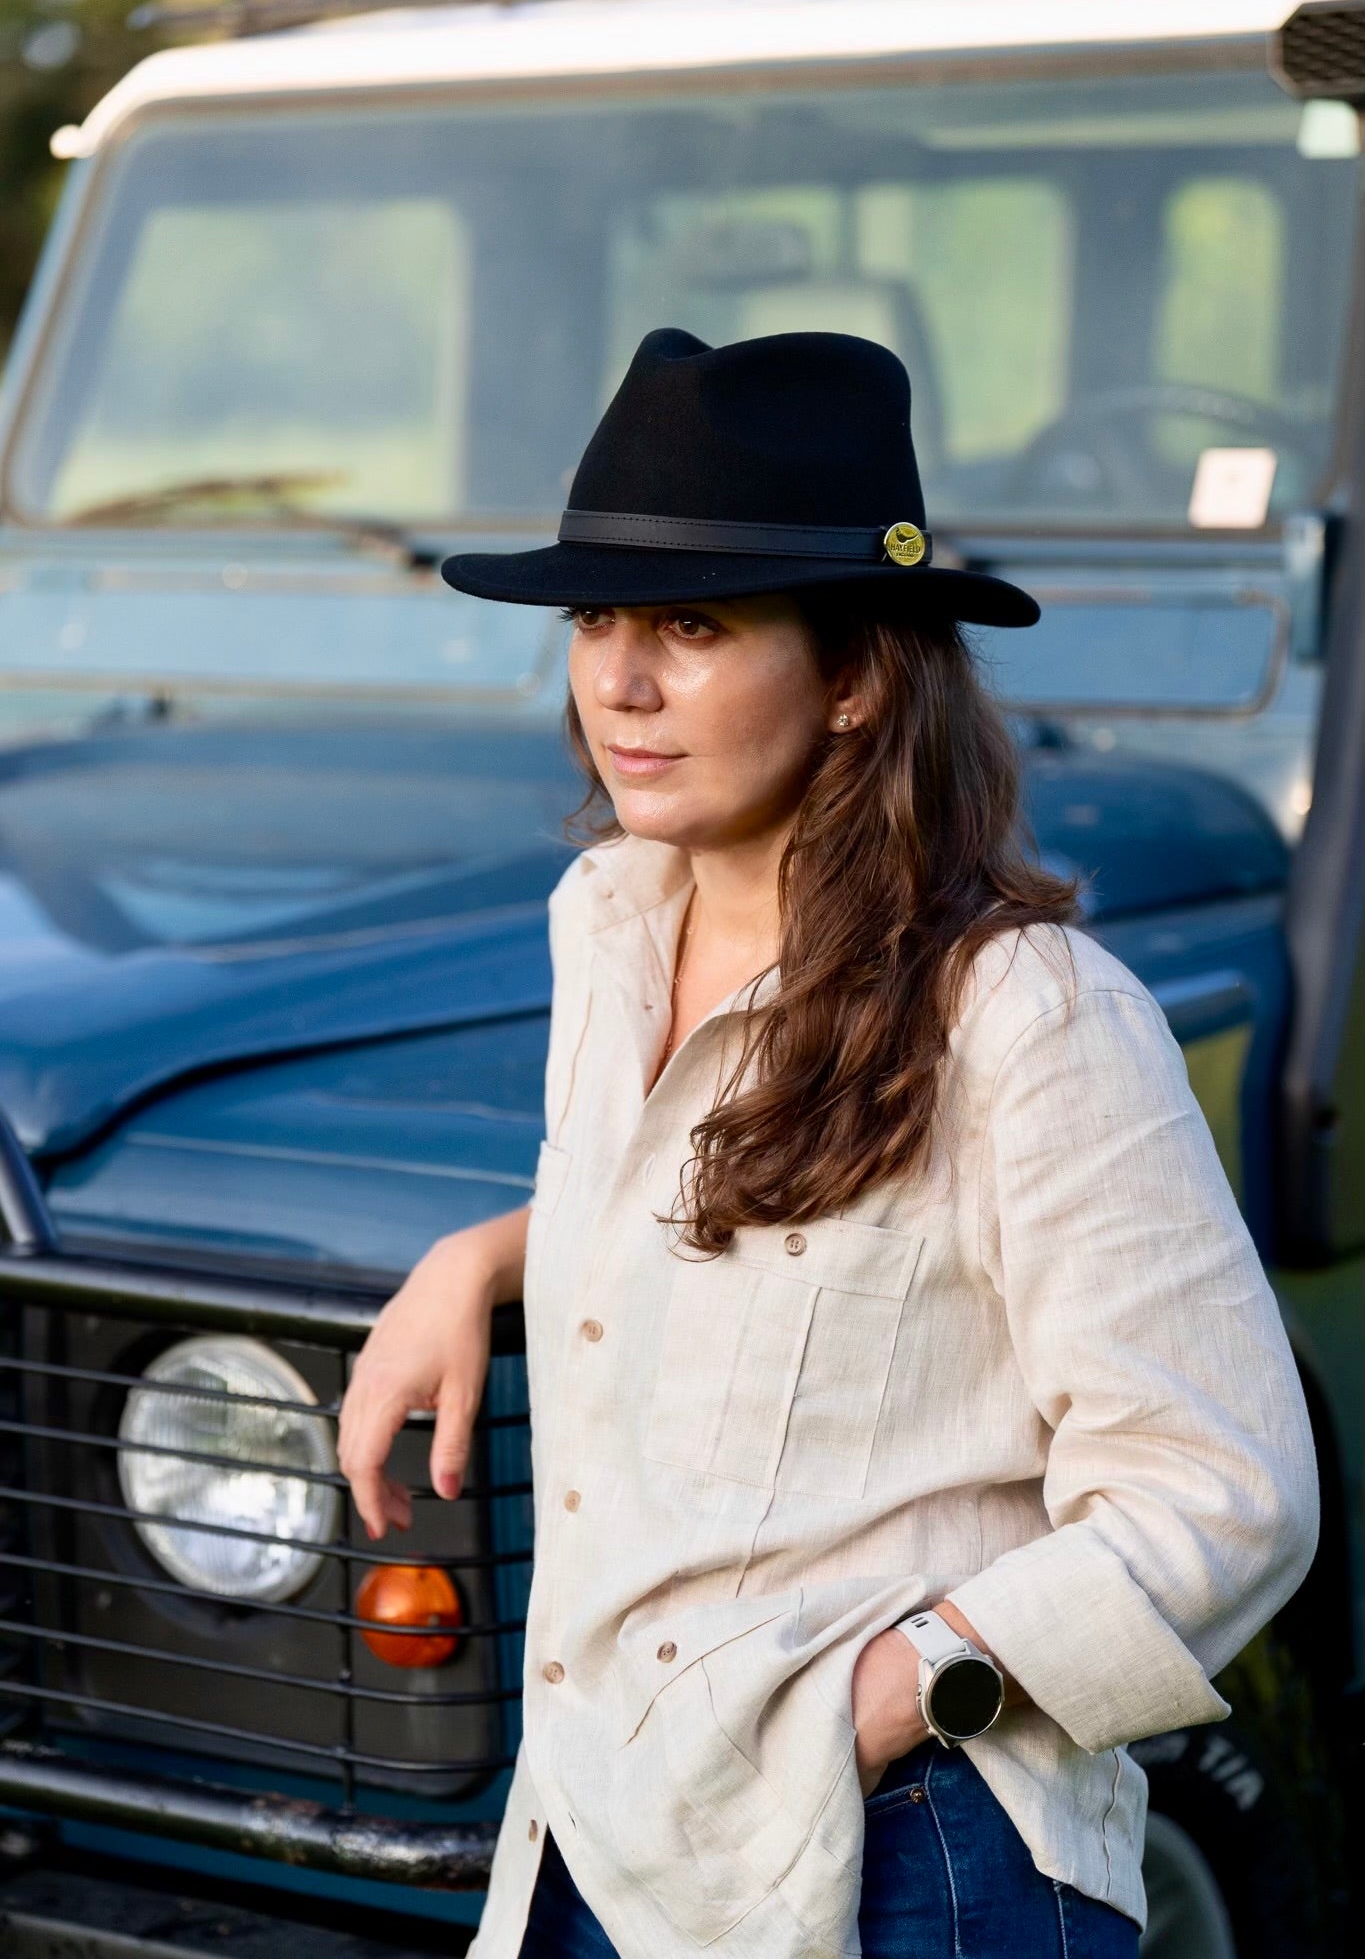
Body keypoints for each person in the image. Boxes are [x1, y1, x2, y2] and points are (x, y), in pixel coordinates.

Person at [337, 328, 1318, 1959]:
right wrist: (489, 1256)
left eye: (694, 626)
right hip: (595, 1825)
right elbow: (769, 1214)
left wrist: (890, 1698)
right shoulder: (607, 921)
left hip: (910, 1853)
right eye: (594, 621)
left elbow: (1226, 1494)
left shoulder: (1026, 1014)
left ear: (856, 676)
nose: (618, 683)